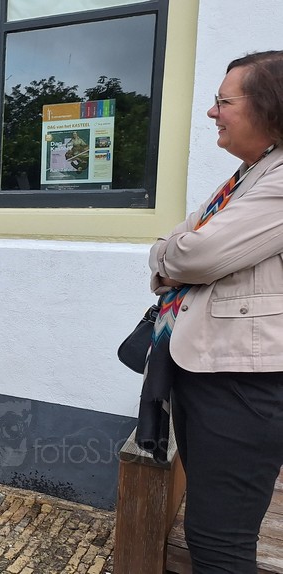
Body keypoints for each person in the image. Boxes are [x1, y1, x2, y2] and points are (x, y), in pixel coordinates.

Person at [143, 50, 283, 572]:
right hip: (216, 376)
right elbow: (176, 243)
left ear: (270, 106)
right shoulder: (250, 175)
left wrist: (176, 257)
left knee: (220, 542)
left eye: (223, 101)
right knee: (209, 530)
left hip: (244, 387)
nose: (212, 112)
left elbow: (196, 253)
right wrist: (174, 256)